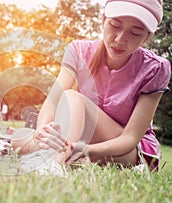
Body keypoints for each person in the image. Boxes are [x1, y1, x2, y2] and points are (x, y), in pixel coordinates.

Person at [11, 0, 171, 172]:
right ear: (103, 20)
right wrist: (42, 131)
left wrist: (84, 150)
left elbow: (130, 137)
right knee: (17, 139)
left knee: (73, 98)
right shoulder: (78, 50)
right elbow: (54, 100)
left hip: (126, 149)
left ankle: (54, 163)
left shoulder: (156, 68)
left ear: (146, 37)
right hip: (81, 136)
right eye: (115, 25)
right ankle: (48, 151)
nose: (120, 39)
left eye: (135, 33)